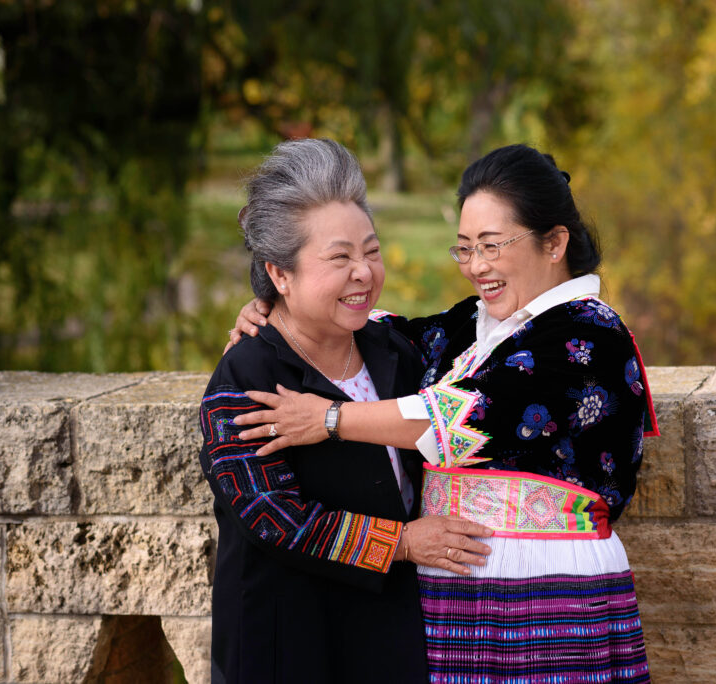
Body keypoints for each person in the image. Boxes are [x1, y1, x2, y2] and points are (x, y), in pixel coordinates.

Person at [230, 143, 657, 683]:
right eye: (464, 249)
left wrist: (328, 419)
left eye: (491, 246)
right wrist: (279, 303)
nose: (476, 267)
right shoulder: (477, 324)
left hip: (550, 588)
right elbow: (389, 331)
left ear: (554, 243)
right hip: (450, 589)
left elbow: (461, 420)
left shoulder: (588, 333)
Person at [200, 138, 492, 683]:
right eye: (340, 257)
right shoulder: (247, 377)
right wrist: (402, 543)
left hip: (389, 633)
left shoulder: (394, 353)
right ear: (280, 275)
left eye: (371, 251)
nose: (363, 272)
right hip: (286, 643)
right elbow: (274, 518)